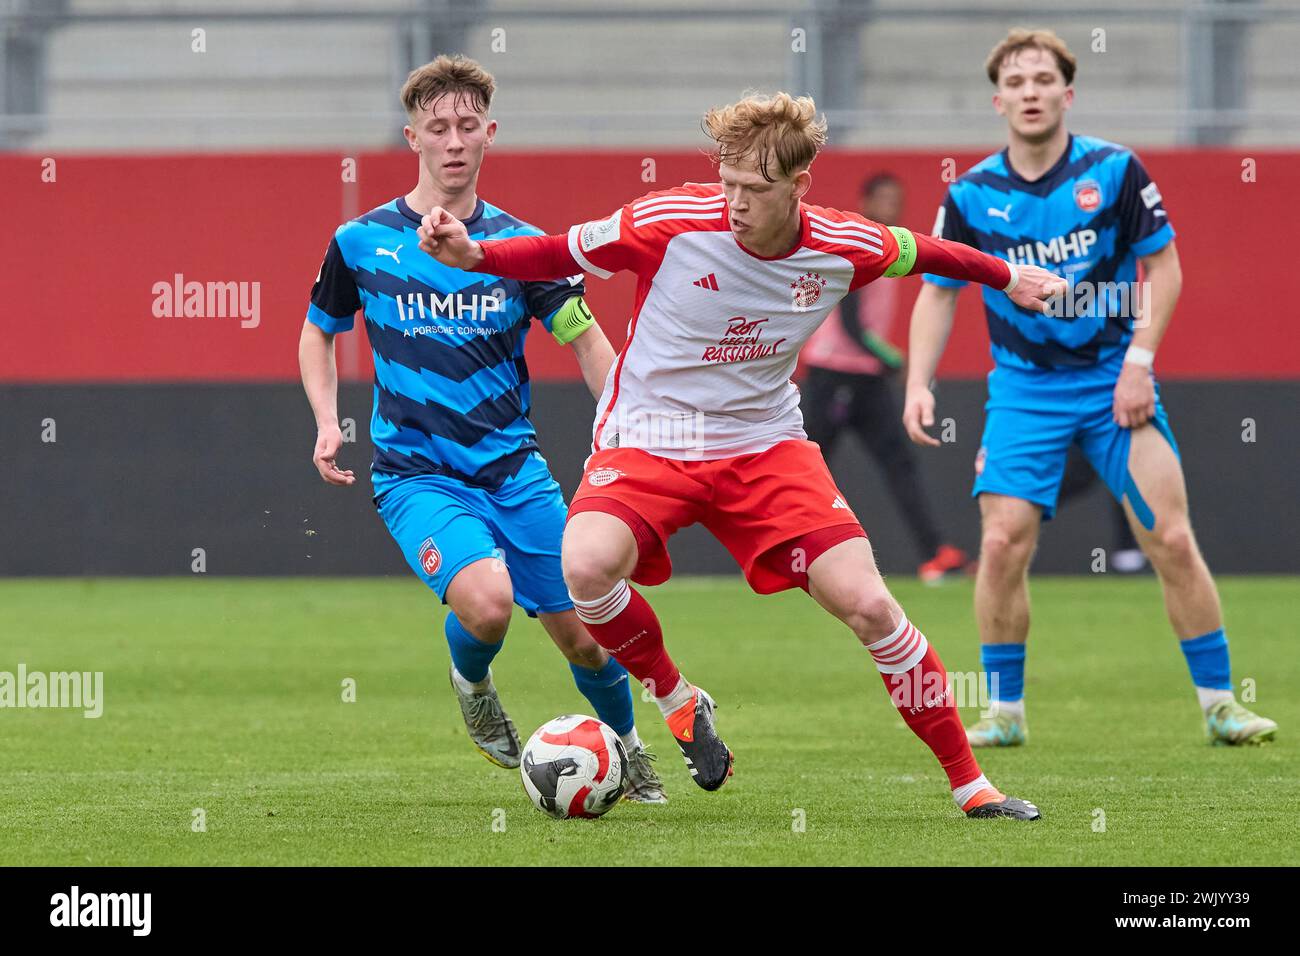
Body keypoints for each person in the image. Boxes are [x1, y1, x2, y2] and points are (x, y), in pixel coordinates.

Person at [417, 90, 1068, 819]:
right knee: (584, 565)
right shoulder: (667, 221)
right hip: (652, 438)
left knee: (872, 607)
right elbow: (558, 249)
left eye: (753, 190)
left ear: (798, 186)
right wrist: (474, 254)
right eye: (726, 183)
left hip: (765, 445)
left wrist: (1011, 277)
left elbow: (926, 251)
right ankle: (676, 697)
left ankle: (972, 784)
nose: (733, 203)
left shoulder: (843, 244)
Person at [297, 55, 666, 802]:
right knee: (489, 603)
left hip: (513, 470)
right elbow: (318, 331)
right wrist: (326, 420)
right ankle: (472, 682)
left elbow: (586, 340)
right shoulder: (361, 242)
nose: (454, 140)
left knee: (586, 637)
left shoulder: (522, 249)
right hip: (417, 475)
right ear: (413, 138)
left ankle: (628, 752)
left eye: (468, 126)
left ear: (490, 134)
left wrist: (635, 427)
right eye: (439, 128)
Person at [902, 29, 1276, 747]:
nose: (1031, 92)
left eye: (1044, 80)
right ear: (998, 100)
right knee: (1005, 542)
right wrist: (918, 383)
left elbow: (1163, 269)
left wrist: (1139, 363)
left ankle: (1221, 703)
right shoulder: (973, 194)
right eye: (1017, 83)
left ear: (1067, 94)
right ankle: (1005, 713)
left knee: (1168, 535)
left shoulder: (1115, 171)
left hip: (1112, 384)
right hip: (1023, 390)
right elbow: (938, 292)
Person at [801, 173, 971, 582]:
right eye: (883, 198)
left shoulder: (889, 244)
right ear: (867, 199)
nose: (891, 206)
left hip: (866, 379)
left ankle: (935, 555)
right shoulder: (857, 243)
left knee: (900, 462)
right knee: (806, 467)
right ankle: (780, 550)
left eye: (897, 199)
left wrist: (886, 365)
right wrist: (897, 362)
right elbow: (852, 323)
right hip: (832, 375)